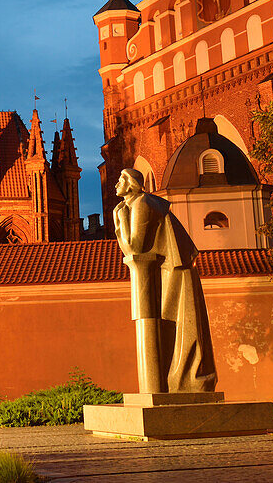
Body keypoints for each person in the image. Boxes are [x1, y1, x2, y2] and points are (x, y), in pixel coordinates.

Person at [113, 168, 217, 394]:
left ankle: (183, 382)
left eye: (121, 179)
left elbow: (136, 247)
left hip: (174, 270)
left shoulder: (141, 204)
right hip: (166, 269)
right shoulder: (134, 204)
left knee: (179, 324)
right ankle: (173, 383)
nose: (116, 184)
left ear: (132, 184)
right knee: (172, 326)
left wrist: (120, 218)